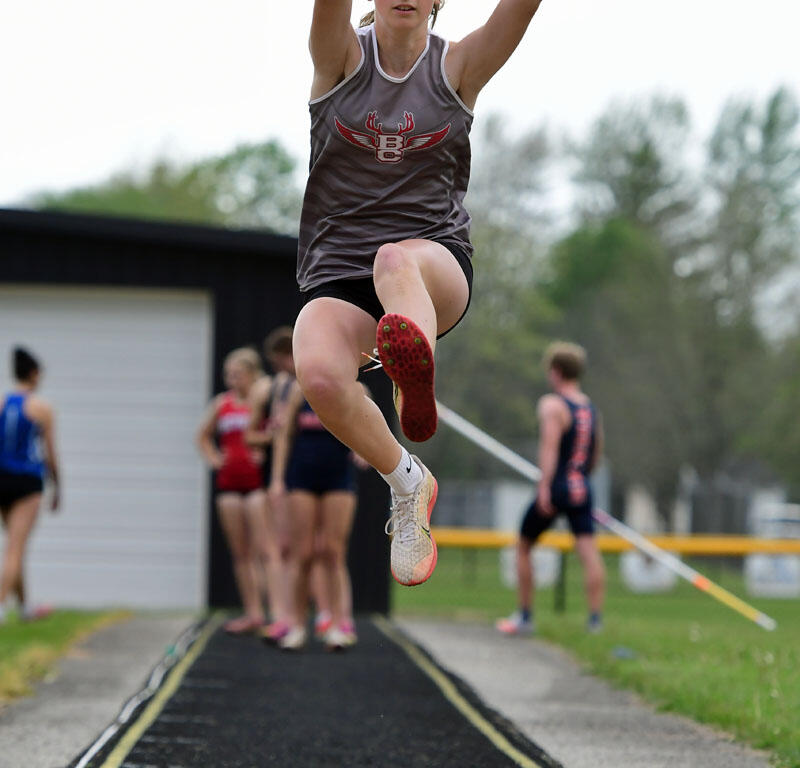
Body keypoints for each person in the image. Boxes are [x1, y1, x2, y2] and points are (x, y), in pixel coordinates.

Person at [294, 0, 544, 586]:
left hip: (431, 267)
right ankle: (408, 484)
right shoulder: (339, 60)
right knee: (320, 372)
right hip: (339, 273)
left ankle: (412, 372)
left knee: (394, 260)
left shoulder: (458, 67)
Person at [496, 342, 606, 635]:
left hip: (557, 487)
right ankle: (595, 620)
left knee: (523, 546)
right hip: (582, 486)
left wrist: (544, 487)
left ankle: (525, 616)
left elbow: (549, 448)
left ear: (556, 372)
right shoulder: (590, 408)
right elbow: (596, 453)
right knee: (588, 551)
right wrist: (582, 478)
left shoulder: (552, 405)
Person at [269, 377, 366, 651]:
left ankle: (338, 625)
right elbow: (284, 437)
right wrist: (277, 479)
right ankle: (297, 625)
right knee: (304, 553)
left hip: (338, 477)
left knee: (333, 552)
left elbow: (369, 427)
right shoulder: (302, 391)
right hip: (303, 476)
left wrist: (365, 451)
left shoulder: (354, 388)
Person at [197, 348, 271, 634]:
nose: (231, 380)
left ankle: (272, 611)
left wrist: (264, 449)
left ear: (252, 374)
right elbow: (202, 437)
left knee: (263, 550)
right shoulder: (222, 403)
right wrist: (215, 459)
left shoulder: (261, 402)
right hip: (229, 483)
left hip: (256, 484)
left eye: (237, 374)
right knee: (240, 553)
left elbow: (275, 432)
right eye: (228, 374)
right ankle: (252, 613)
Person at [0, 347, 61, 624]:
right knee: (15, 549)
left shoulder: (2, 402)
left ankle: (24, 607)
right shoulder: (41, 408)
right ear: (34, 374)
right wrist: (58, 486)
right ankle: (1, 607)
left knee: (15, 546)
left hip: (1, 479)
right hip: (26, 481)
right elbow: (50, 453)